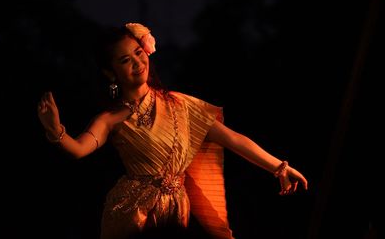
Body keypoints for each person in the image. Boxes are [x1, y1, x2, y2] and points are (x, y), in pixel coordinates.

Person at [37, 22, 308, 239]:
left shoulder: (180, 105)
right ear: (111, 73)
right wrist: (55, 130)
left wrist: (279, 168)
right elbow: (79, 149)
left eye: (138, 53)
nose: (136, 63)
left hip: (177, 206)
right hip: (132, 211)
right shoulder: (110, 119)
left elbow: (233, 139)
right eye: (124, 60)